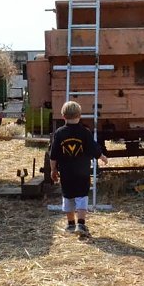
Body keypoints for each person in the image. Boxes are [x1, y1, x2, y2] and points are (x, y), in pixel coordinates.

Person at [49, 101, 108, 236]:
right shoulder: (84, 132)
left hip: (66, 173)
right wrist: (102, 157)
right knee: (82, 196)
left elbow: (53, 155)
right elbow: (94, 149)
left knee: (68, 196)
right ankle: (81, 224)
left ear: (63, 116)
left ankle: (70, 225)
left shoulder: (59, 133)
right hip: (82, 172)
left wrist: (53, 170)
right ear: (80, 116)